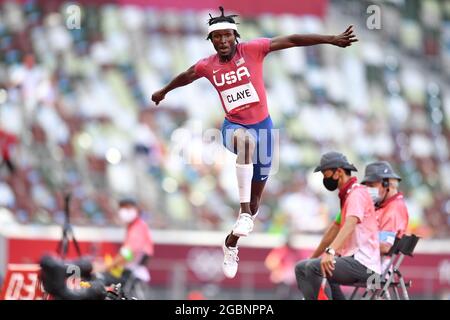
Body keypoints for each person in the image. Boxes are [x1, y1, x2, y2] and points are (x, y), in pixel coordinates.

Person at [151, 6, 358, 278]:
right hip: (234, 127)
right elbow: (187, 75)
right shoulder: (207, 65)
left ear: (235, 36)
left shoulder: (253, 49)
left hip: (265, 130)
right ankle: (244, 211)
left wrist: (330, 39)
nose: (223, 41)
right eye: (217, 38)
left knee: (257, 201)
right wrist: (164, 91)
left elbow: (293, 39)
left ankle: (231, 242)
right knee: (245, 146)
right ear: (211, 41)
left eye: (227, 36)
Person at [295, 151, 381, 300]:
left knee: (315, 268)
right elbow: (334, 230)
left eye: (326, 174)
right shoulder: (347, 196)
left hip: (365, 265)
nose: (324, 178)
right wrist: (314, 256)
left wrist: (330, 252)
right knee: (302, 267)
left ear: (339, 172)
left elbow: (350, 223)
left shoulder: (357, 193)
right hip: (353, 260)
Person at [96, 198, 154, 289]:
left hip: (132, 275)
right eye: (122, 208)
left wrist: (106, 267)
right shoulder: (133, 227)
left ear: (136, 210)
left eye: (128, 208)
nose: (125, 211)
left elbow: (128, 255)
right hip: (128, 272)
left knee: (97, 282)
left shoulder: (138, 228)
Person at [361, 161, 409, 271]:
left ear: (386, 184)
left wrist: (356, 248)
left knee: (322, 267)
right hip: (370, 262)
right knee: (327, 265)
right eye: (367, 186)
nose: (368, 189)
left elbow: (384, 247)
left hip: (374, 268)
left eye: (372, 185)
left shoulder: (394, 209)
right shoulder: (382, 206)